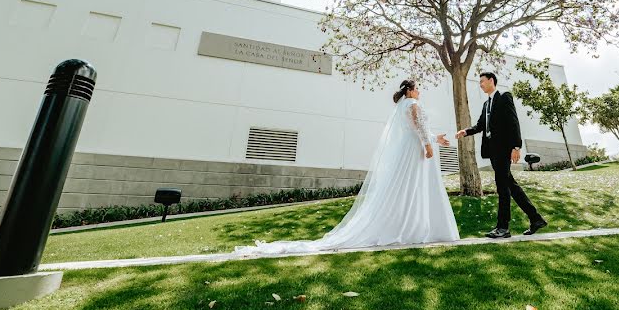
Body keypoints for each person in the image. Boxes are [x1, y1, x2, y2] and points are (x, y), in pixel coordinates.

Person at [234, 79, 460, 256]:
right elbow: (418, 125)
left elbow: (414, 128)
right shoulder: (412, 104)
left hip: (409, 147)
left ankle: (408, 225)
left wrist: (434, 138)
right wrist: (429, 144)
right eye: (417, 89)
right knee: (412, 187)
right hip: (415, 149)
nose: (419, 92)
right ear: (410, 91)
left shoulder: (401, 107)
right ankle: (412, 226)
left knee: (407, 187)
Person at [456, 72, 547, 238]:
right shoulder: (486, 104)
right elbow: (480, 125)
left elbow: (513, 121)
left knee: (502, 186)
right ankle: (536, 219)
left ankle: (503, 228)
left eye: (482, 81)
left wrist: (516, 146)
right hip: (492, 150)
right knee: (510, 185)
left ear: (491, 80)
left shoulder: (504, 97)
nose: (481, 84)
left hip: (504, 149)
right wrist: (466, 131)